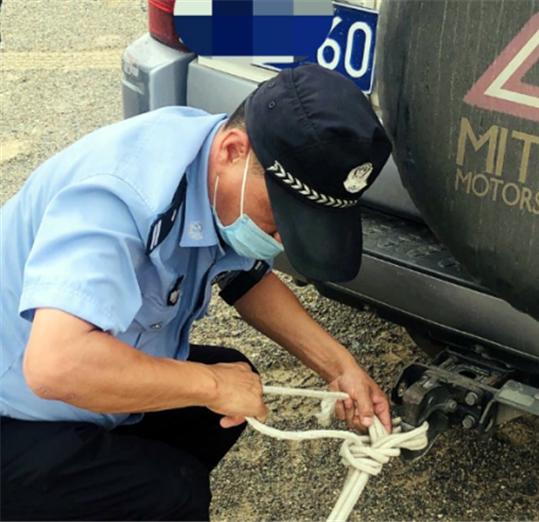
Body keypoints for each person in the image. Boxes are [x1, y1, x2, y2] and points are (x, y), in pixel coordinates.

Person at [0, 64, 394, 521]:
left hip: (60, 391)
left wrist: (340, 367)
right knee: (173, 490)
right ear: (233, 151)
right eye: (282, 217)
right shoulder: (119, 195)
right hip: (15, 409)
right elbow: (56, 365)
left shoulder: (209, 167)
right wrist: (212, 385)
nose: (284, 240)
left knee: (227, 393)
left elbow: (244, 278)